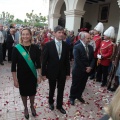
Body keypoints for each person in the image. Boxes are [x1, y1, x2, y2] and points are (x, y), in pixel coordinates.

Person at [11, 28, 41, 119]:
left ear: (31, 35)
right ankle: (25, 108)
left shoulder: (35, 48)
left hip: (32, 75)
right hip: (22, 76)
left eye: (27, 34)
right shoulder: (16, 49)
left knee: (32, 92)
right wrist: (15, 80)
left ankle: (32, 106)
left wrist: (39, 75)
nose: (25, 36)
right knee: (23, 93)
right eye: (23, 34)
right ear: (21, 35)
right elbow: (13, 67)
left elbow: (39, 64)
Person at [42, 25, 70, 114]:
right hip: (51, 71)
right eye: (59, 32)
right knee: (52, 88)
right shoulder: (48, 45)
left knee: (61, 89)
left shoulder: (66, 45)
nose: (61, 34)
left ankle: (59, 105)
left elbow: (67, 60)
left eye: (62, 32)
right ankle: (51, 102)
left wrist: (68, 73)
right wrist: (43, 73)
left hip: (62, 72)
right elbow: (44, 60)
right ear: (54, 33)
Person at [69, 32, 94, 105]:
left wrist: (90, 67)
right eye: (88, 38)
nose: (89, 40)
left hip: (87, 71)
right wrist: (85, 68)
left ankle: (78, 96)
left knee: (82, 85)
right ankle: (72, 97)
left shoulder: (90, 47)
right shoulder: (77, 47)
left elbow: (93, 59)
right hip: (78, 70)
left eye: (90, 38)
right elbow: (77, 60)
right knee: (75, 84)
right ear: (82, 38)